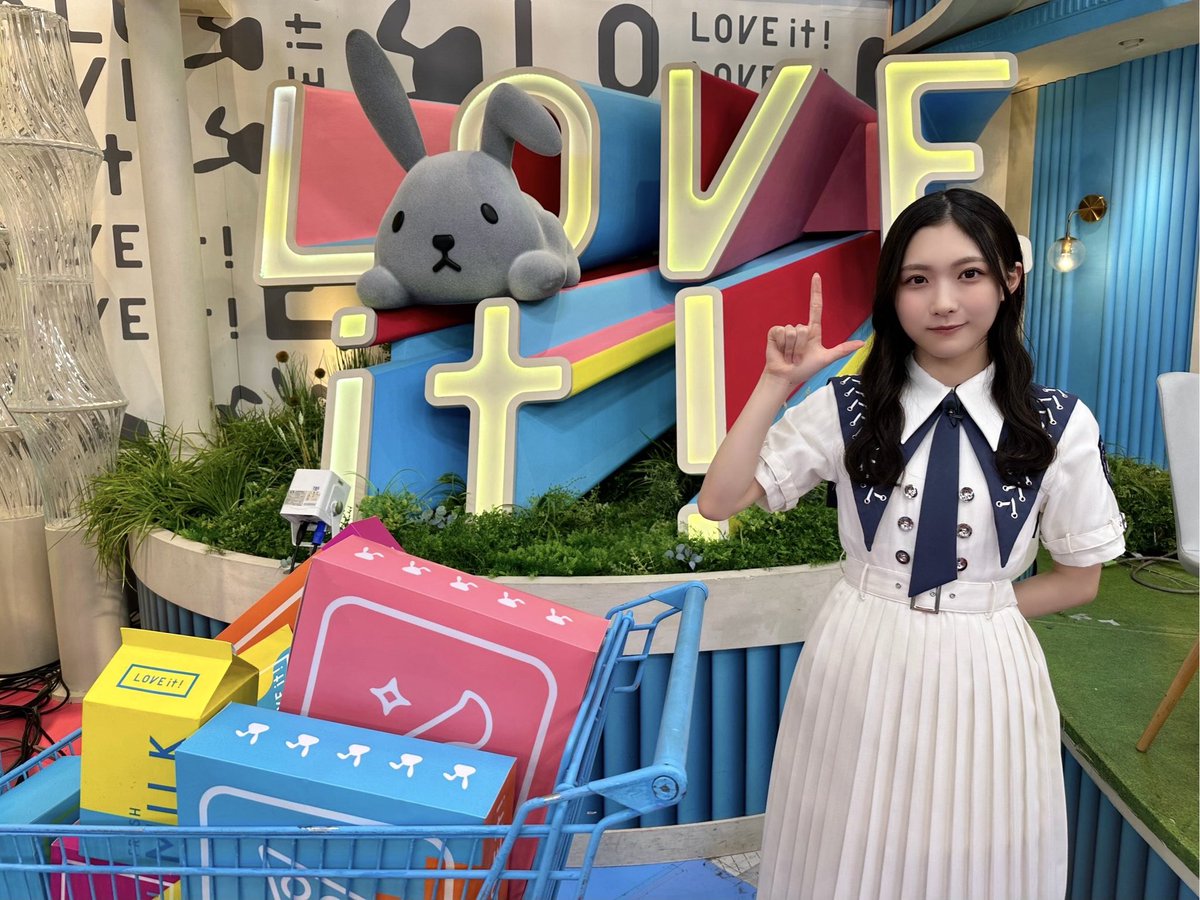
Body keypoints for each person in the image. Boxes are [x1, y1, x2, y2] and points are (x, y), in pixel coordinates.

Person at [697, 188, 1125, 900]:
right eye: (917, 279)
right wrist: (776, 383)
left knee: (974, 849)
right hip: (858, 653)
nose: (943, 302)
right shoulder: (851, 406)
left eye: (969, 274)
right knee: (845, 840)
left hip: (988, 665)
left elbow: (1081, 578)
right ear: (892, 294)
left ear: (1009, 279)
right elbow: (719, 501)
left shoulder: (1058, 422)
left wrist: (977, 610)